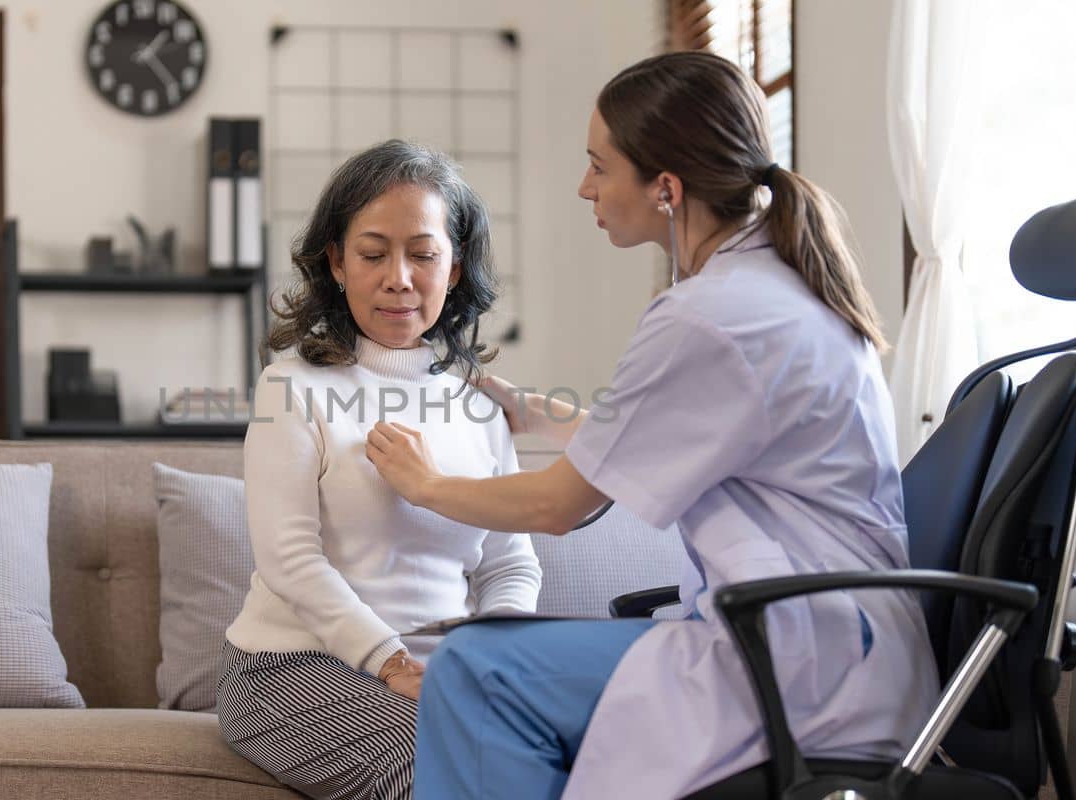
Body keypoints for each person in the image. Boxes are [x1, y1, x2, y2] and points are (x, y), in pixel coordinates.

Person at [363, 52, 939, 799]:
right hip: (840, 644)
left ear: (666, 189)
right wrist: (528, 409)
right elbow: (644, 435)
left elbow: (558, 507)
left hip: (802, 659)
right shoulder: (771, 291)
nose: (584, 187)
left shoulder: (709, 317)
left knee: (477, 668)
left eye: (599, 167)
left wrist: (427, 484)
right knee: (491, 669)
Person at [216, 139, 542, 800]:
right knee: (431, 765)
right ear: (336, 263)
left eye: (423, 254)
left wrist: (487, 660)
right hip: (289, 666)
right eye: (373, 254)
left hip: (442, 668)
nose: (400, 277)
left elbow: (510, 563)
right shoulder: (292, 387)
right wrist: (391, 660)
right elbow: (289, 559)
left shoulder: (477, 404)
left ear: (453, 269)